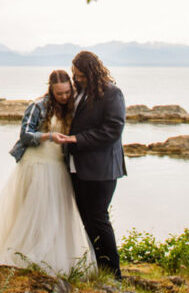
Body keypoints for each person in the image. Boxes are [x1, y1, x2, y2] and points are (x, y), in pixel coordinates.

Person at [0, 70, 96, 276]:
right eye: (59, 93)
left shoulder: (73, 108)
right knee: (36, 211)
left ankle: (53, 258)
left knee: (56, 214)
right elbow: (25, 135)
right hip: (37, 164)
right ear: (51, 90)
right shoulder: (37, 106)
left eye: (67, 92)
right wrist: (48, 136)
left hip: (59, 166)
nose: (64, 97)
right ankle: (26, 255)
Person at [51, 51, 126, 278]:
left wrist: (76, 139)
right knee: (87, 220)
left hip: (101, 169)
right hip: (77, 167)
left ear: (92, 72)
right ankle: (98, 268)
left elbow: (113, 129)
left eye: (80, 75)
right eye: (75, 74)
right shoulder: (80, 92)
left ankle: (113, 274)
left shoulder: (112, 94)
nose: (76, 79)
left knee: (98, 219)